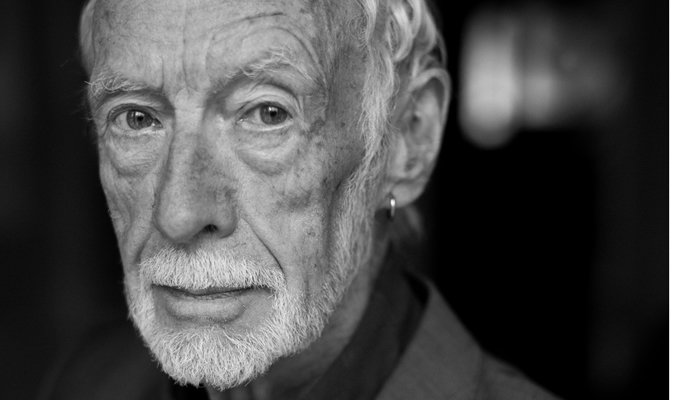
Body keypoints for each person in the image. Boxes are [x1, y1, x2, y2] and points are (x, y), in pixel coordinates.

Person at [43, 0, 560, 399]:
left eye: (268, 113)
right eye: (137, 118)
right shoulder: (87, 381)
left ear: (408, 138)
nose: (179, 214)